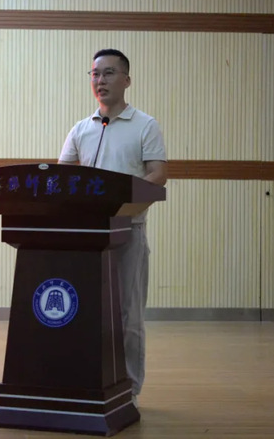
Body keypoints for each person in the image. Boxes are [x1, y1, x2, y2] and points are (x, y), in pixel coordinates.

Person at [58, 48, 167, 408]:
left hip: (127, 233)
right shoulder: (81, 128)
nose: (100, 80)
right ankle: (90, 382)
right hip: (87, 238)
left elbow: (157, 175)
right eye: (94, 74)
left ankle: (129, 390)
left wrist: (122, 203)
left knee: (128, 317)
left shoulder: (145, 125)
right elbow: (62, 177)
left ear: (126, 80)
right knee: (87, 313)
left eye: (108, 73)